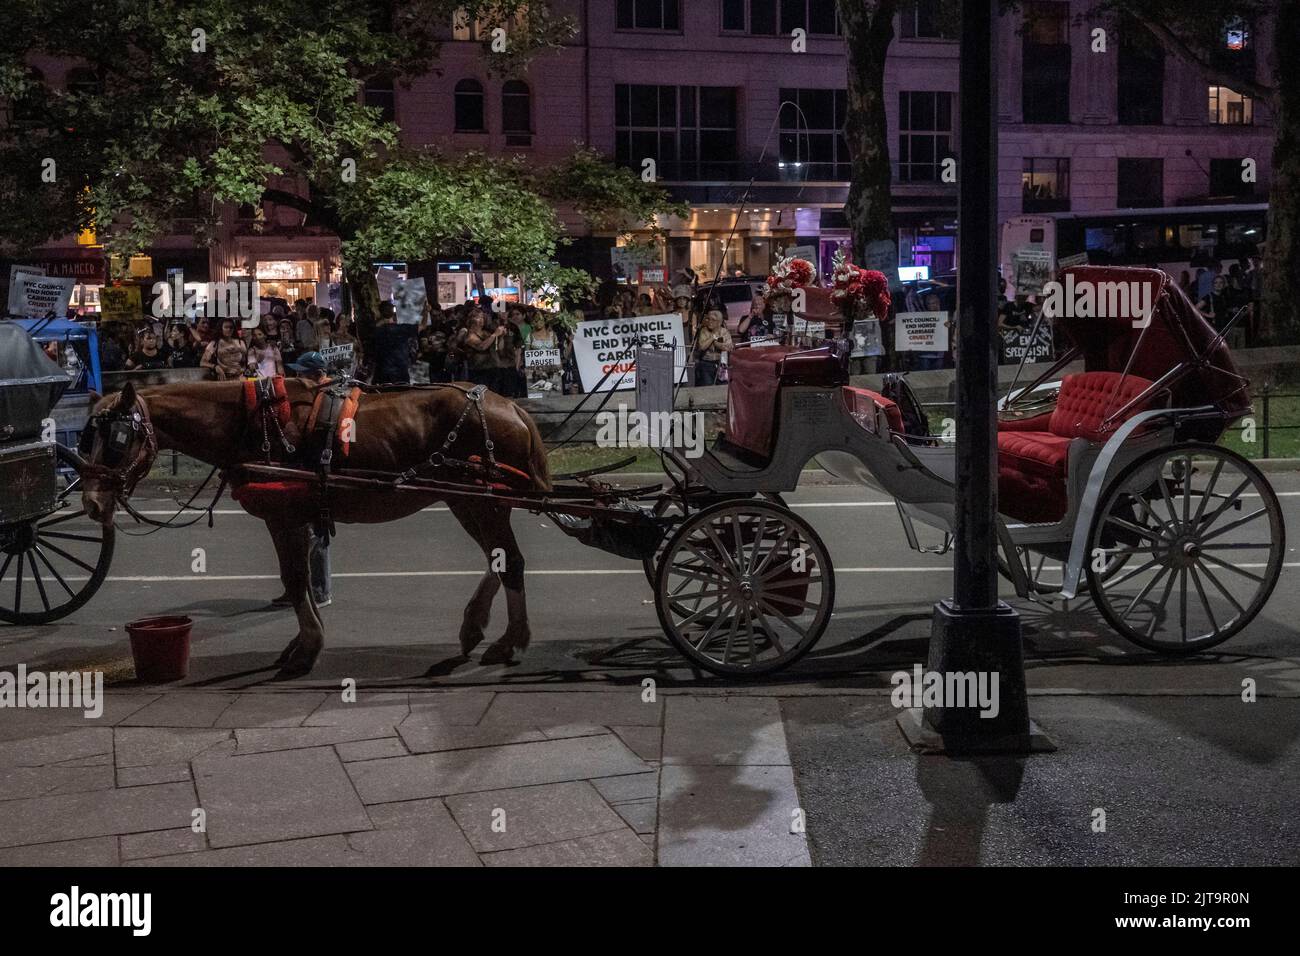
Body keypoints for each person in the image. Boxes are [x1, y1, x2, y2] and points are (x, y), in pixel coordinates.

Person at [284, 350, 332, 607]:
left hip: (322, 471)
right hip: (311, 469)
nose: (297, 378)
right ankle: (302, 588)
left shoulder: (328, 398)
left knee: (316, 533)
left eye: (301, 374)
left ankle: (319, 591)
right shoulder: (314, 396)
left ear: (317, 375)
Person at [370, 301, 419, 384]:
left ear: (380, 312)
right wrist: (425, 312)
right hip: (400, 372)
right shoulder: (403, 328)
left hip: (382, 372)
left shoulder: (376, 331)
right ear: (393, 313)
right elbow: (423, 325)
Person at [463, 309, 503, 388]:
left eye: (482, 317)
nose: (481, 320)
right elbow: (481, 347)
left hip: (492, 368)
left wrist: (501, 336)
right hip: (478, 370)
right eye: (478, 317)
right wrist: (495, 334)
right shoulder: (469, 335)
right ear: (471, 319)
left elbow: (498, 347)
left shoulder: (485, 332)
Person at [693, 310, 733, 386]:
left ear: (719, 322)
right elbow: (702, 347)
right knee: (707, 386)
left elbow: (728, 347)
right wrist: (712, 337)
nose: (710, 321)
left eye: (713, 320)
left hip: (721, 364)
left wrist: (715, 343)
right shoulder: (704, 331)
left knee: (722, 386)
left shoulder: (724, 332)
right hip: (706, 364)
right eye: (708, 319)